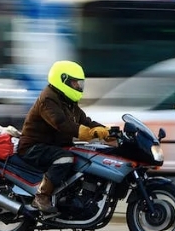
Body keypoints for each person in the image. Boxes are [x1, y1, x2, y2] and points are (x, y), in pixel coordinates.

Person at [17, 60, 110, 214]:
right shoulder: (48, 99)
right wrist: (86, 133)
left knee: (86, 155)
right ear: (63, 80)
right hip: (34, 147)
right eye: (75, 83)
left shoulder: (68, 101)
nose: (78, 86)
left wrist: (106, 131)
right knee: (65, 158)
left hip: (53, 145)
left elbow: (85, 121)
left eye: (79, 83)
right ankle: (41, 196)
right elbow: (61, 123)